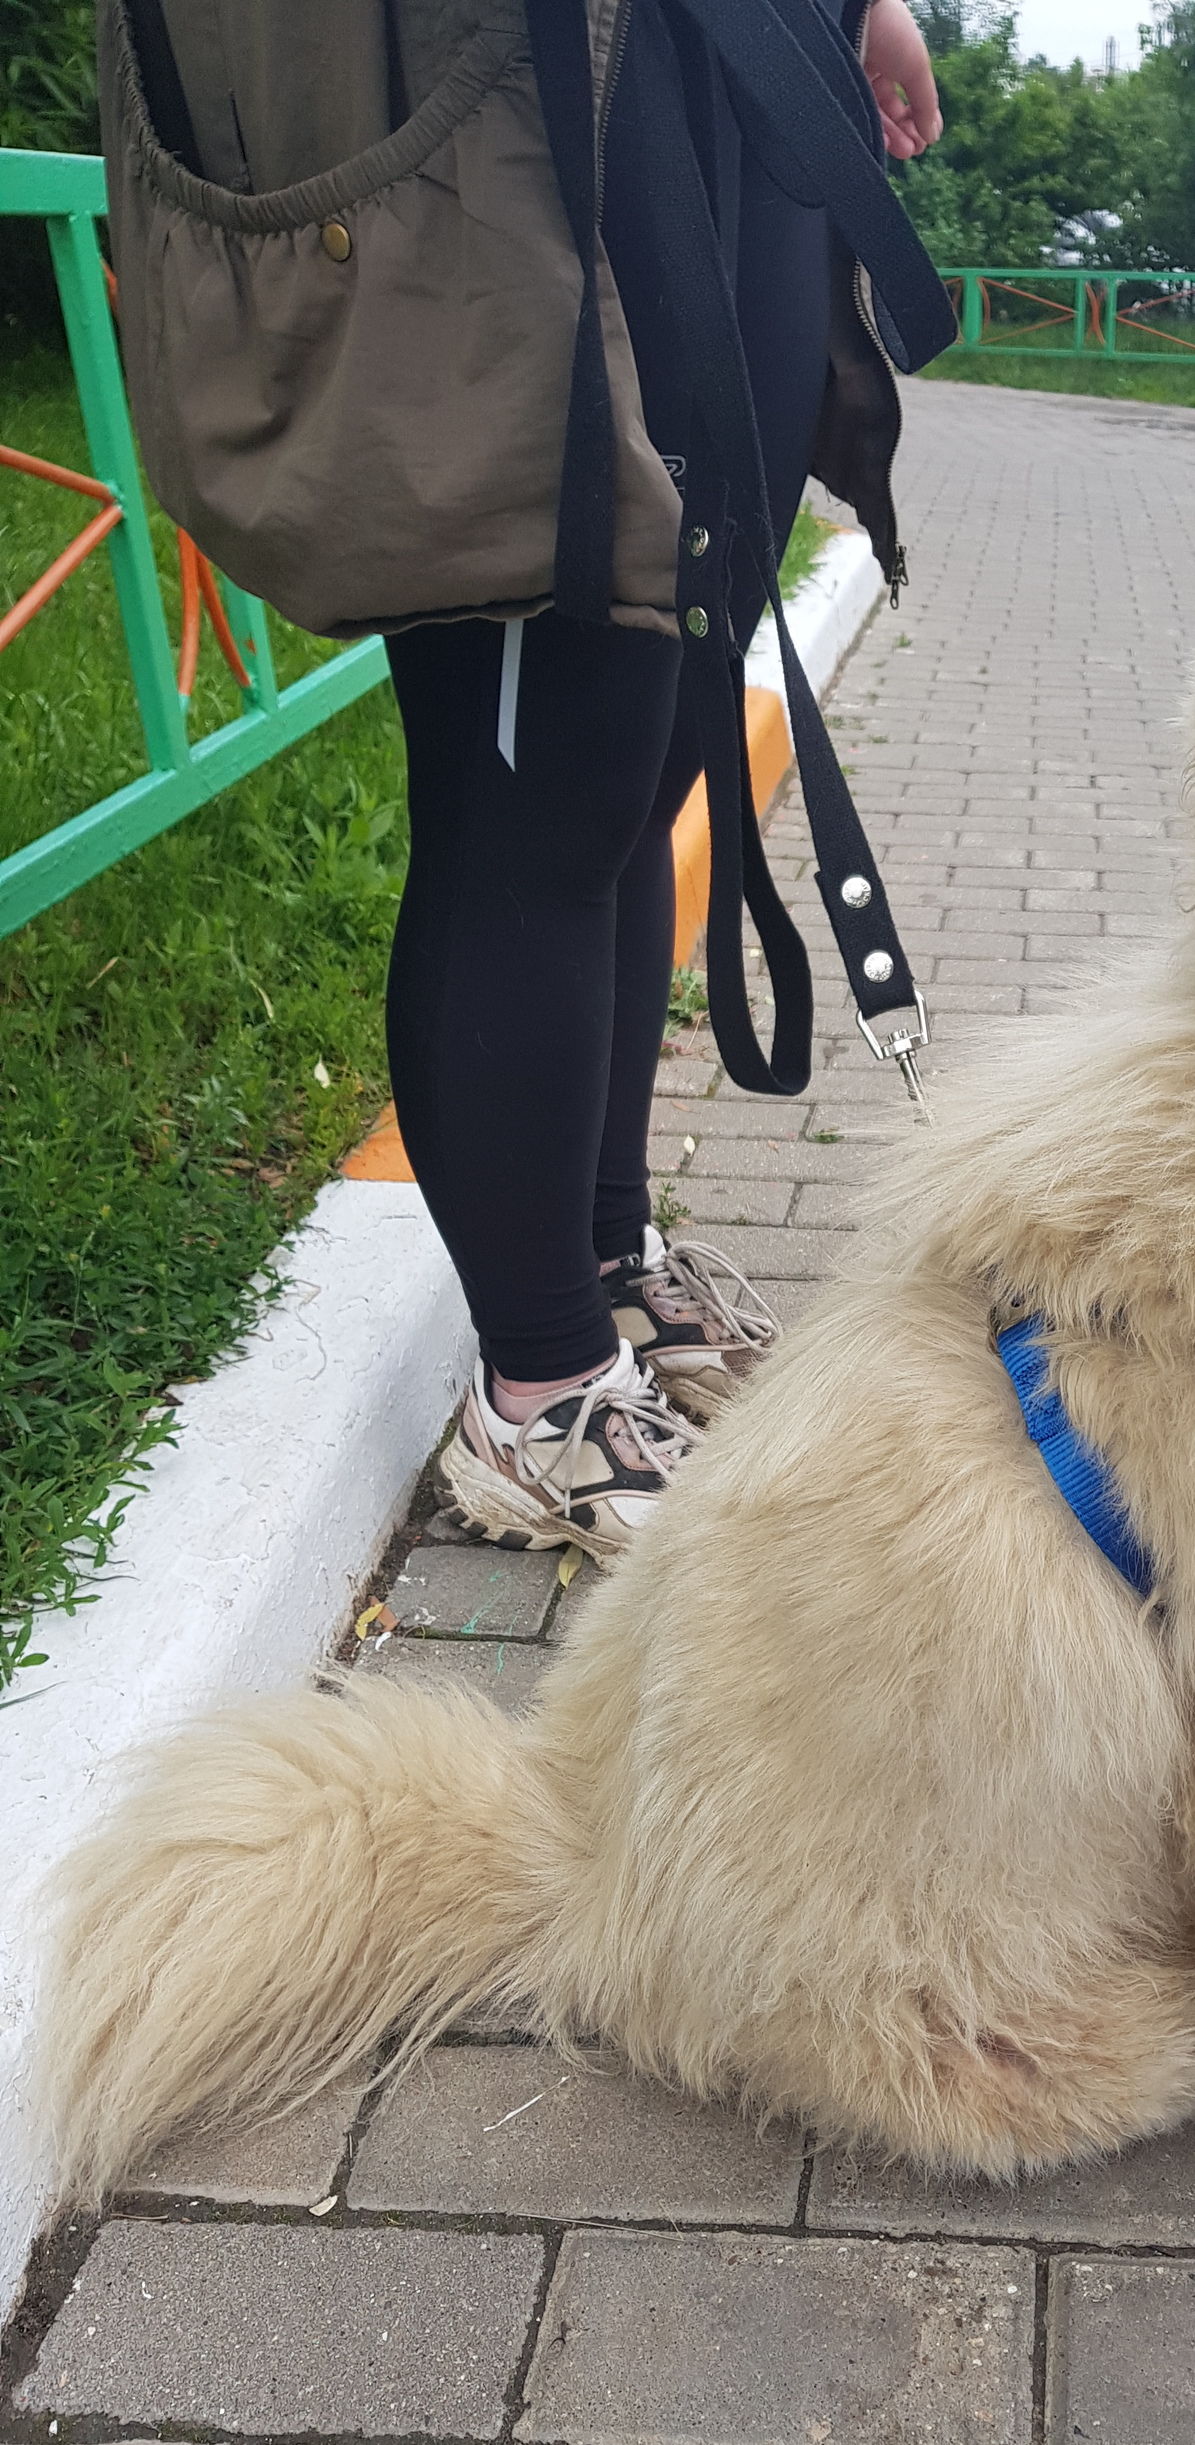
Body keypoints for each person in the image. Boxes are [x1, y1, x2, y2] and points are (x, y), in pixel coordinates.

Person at [99, 0, 947, 1560]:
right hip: (492, 85)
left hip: (740, 62)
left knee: (650, 747)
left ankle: (608, 1263)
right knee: (549, 778)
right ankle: (537, 1382)